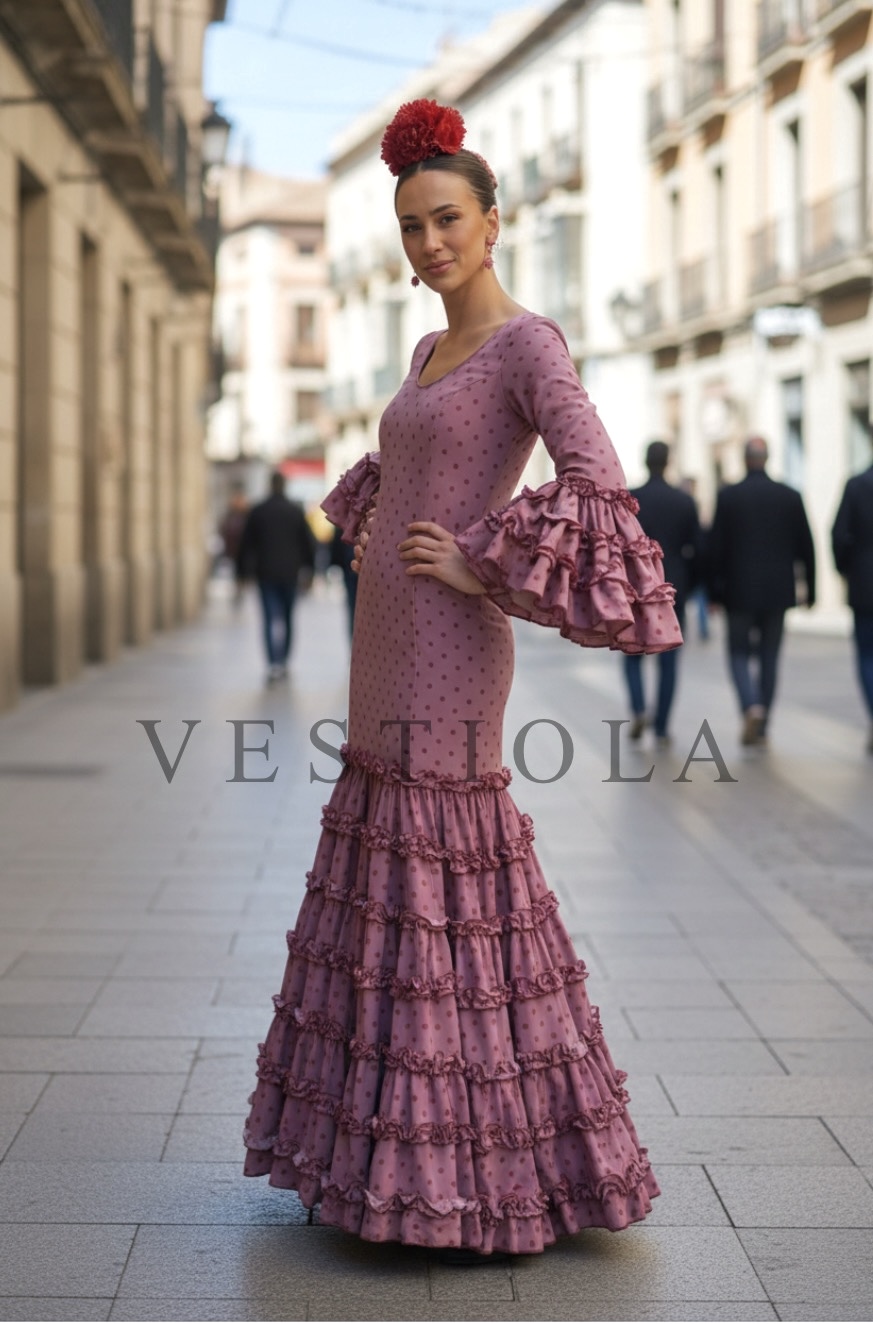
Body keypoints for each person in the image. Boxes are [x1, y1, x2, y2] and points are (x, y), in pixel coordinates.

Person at [242, 98, 682, 1261]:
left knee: (447, 874)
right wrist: (383, 511)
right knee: (385, 871)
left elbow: (596, 477)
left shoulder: (530, 344)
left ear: (494, 221)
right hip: (385, 637)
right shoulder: (426, 352)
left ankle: (469, 1176)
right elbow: (417, 464)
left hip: (452, 641)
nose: (429, 242)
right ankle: (372, 1163)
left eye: (447, 219)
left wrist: (482, 560)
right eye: (411, 225)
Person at [706, 435, 815, 745]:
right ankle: (763, 723)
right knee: (769, 656)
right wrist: (811, 590)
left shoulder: (729, 496)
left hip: (738, 591)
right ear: (767, 458)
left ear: (745, 459)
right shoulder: (789, 496)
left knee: (738, 652)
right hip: (778, 592)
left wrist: (713, 592)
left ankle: (750, 704)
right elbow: (806, 546)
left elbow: (715, 548)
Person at [623, 441, 700, 744]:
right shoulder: (684, 501)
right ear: (668, 463)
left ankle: (639, 708)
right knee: (668, 660)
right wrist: (692, 585)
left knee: (632, 653)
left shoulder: (632, 499)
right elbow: (698, 548)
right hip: (672, 588)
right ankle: (662, 725)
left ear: (646, 461)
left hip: (636, 586)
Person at [236, 471, 316, 683]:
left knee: (269, 618)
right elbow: (308, 543)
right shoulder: (294, 511)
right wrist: (310, 570)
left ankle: (273, 664)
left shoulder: (258, 511)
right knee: (288, 618)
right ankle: (284, 661)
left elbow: (245, 544)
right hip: (290, 573)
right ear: (284, 485)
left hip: (266, 573)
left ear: (270, 485)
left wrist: (241, 573)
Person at [831, 424, 873, 754]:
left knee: (867, 655)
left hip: (864, 584)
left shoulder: (857, 485)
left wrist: (847, 569)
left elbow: (838, 534)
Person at [218, 483, 250, 605]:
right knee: (235, 571)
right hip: (233, 549)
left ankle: (240, 588)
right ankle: (237, 589)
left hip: (242, 549)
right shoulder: (230, 515)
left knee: (240, 571)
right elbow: (223, 529)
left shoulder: (246, 515)